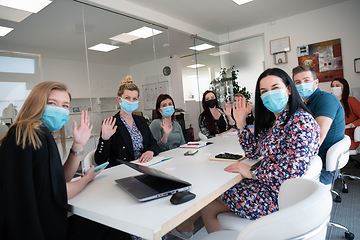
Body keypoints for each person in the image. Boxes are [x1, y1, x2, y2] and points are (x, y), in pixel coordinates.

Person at [171, 68, 320, 238]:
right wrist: (240, 122)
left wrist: (251, 172)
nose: (270, 95)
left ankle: (184, 226)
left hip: (277, 197)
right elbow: (253, 152)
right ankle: (187, 227)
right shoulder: (279, 121)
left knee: (211, 193)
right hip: (272, 187)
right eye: (264, 92)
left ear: (288, 89)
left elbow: (293, 170)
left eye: (275, 88)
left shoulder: (300, 121)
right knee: (210, 204)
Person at [0, 81, 131, 240]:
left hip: (43, 225)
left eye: (65, 106)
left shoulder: (33, 132)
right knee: (115, 223)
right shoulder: (33, 134)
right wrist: (86, 179)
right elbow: (59, 192)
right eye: (52, 103)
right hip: (42, 231)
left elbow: (58, 180)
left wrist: (78, 145)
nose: (59, 110)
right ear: (36, 103)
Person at [292, 65, 345, 185]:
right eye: (298, 82)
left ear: (316, 82)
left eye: (306, 80)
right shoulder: (305, 104)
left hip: (323, 166)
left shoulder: (326, 99)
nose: (302, 84)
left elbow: (317, 138)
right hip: (313, 159)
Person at [95, 76, 160, 168]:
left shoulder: (141, 120)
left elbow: (153, 143)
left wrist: (150, 151)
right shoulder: (110, 123)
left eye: (134, 99)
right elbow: (100, 160)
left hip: (144, 166)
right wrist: (104, 139)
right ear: (119, 99)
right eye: (127, 98)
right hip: (123, 170)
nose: (131, 101)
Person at [331, 78, 360, 150]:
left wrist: (349, 125)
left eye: (337, 85)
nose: (334, 88)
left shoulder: (351, 100)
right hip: (333, 134)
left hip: (348, 136)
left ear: (344, 87)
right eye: (332, 86)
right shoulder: (330, 102)